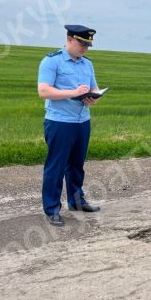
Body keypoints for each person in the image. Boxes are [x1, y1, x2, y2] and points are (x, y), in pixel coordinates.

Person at [37, 24, 102, 226]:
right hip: (59, 122)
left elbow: (94, 87)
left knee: (76, 165)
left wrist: (94, 97)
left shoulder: (87, 64)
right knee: (56, 166)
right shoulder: (51, 61)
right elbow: (44, 91)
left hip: (82, 121)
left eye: (87, 45)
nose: (84, 48)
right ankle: (51, 209)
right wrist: (73, 93)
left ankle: (76, 201)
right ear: (69, 39)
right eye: (81, 43)